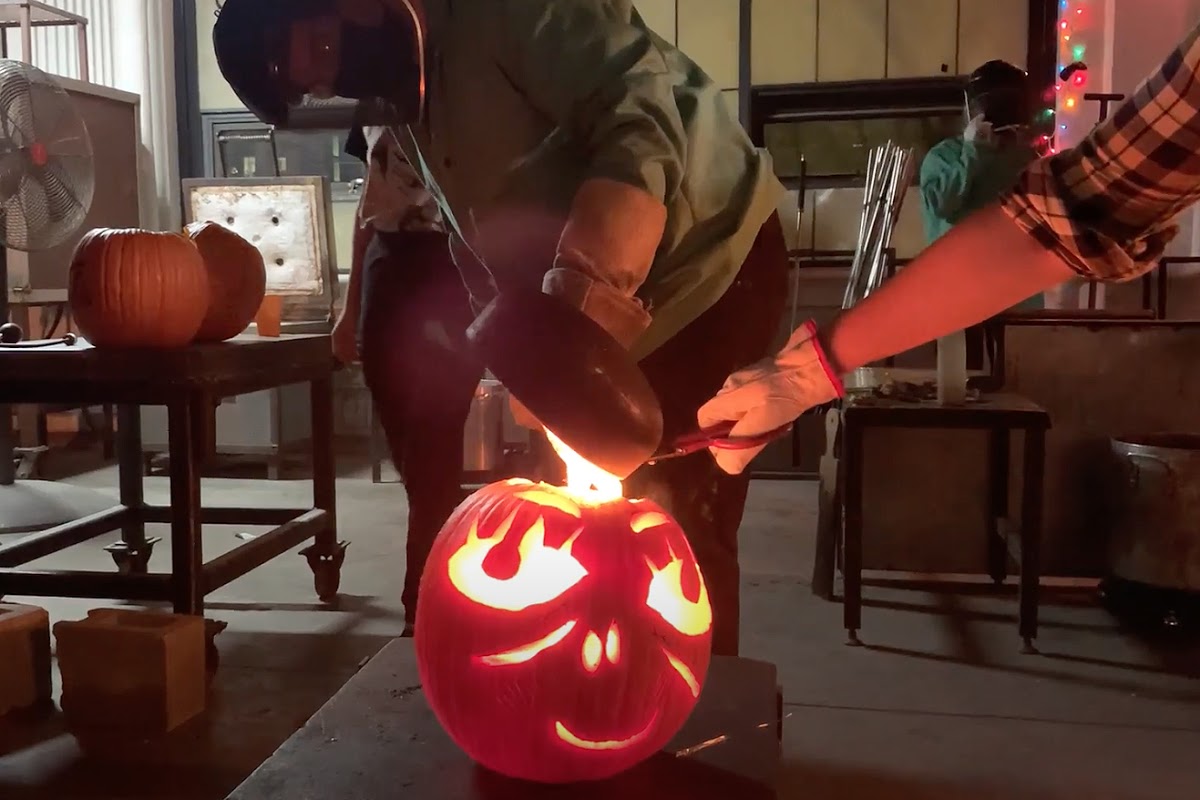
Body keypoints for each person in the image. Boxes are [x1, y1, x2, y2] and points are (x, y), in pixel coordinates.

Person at [213, 0, 791, 656]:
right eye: (313, 85)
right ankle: (593, 691)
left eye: (320, 49)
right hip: (586, 309)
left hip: (709, 262)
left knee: (677, 519)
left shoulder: (501, 11)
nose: (334, 79)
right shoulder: (406, 95)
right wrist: (527, 354)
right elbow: (475, 233)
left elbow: (637, 111)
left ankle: (695, 718)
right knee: (584, 514)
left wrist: (584, 291)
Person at [698, 21, 1200, 475]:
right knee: (958, 394)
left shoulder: (1026, 156)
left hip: (1021, 310)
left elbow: (1060, 219)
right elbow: (1060, 214)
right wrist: (806, 370)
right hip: (954, 306)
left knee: (1014, 398)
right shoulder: (950, 156)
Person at [336, 128, 479, 637]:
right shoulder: (373, 102)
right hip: (386, 267)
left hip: (449, 270)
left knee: (434, 452)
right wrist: (349, 308)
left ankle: (424, 606)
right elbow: (366, 202)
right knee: (415, 461)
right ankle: (447, 571)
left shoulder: (466, 93)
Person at [920, 59, 1044, 313]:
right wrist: (972, 153)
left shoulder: (1024, 158)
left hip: (1016, 292)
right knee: (962, 352)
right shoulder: (945, 157)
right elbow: (941, 206)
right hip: (957, 292)